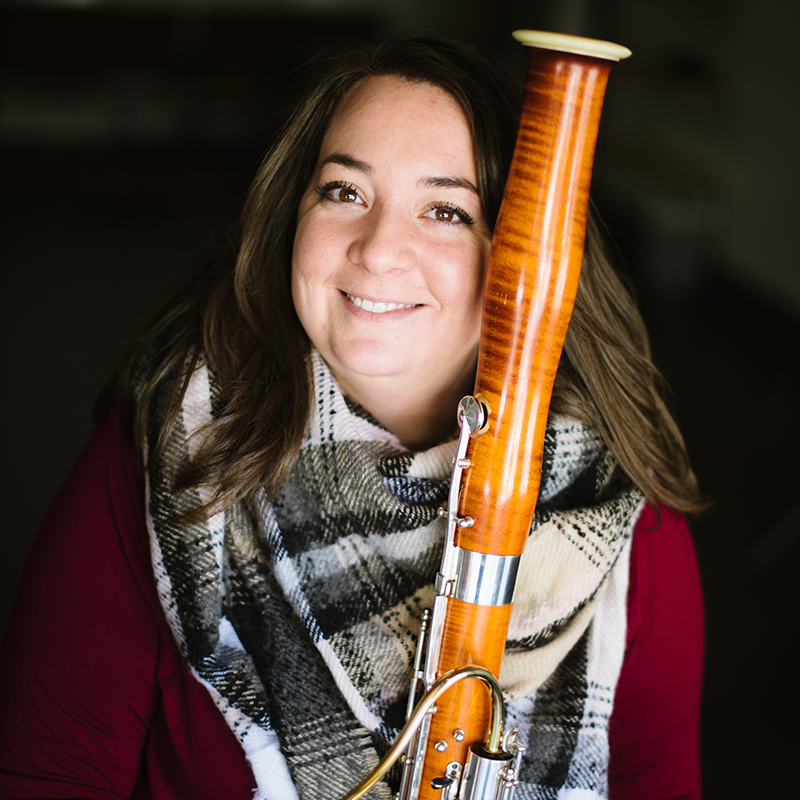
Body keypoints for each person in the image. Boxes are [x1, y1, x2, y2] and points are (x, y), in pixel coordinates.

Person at [0, 35, 704, 800]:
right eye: (345, 191)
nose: (378, 250)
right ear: (291, 210)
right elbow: (49, 773)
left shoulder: (625, 526)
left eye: (445, 209)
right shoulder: (173, 457)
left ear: (526, 256)